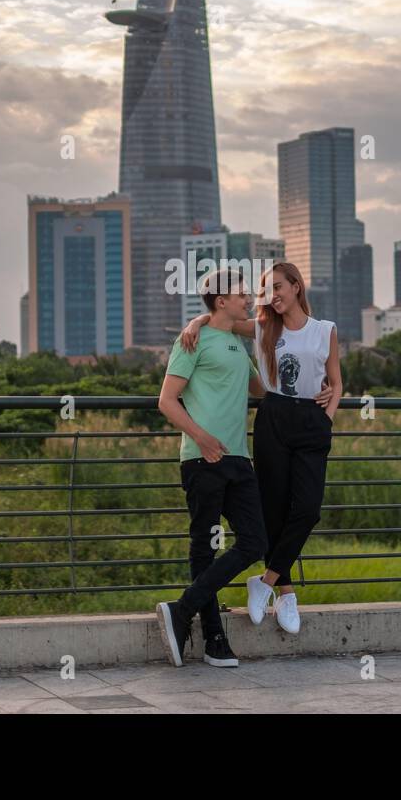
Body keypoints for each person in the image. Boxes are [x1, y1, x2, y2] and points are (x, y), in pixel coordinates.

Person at [180, 261, 342, 634]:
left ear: (297, 287)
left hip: (311, 422)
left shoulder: (325, 330)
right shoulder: (264, 328)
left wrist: (327, 416)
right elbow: (219, 320)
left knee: (307, 510)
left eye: (278, 287)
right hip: (273, 419)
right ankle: (285, 593)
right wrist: (193, 323)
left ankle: (265, 581)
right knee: (273, 510)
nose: (271, 297)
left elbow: (337, 381)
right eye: (265, 290)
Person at [155, 269, 268, 668]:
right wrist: (201, 437)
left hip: (239, 457)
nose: (249, 299)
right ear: (222, 301)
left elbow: (261, 388)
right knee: (204, 544)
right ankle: (214, 638)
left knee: (255, 542)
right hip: (202, 458)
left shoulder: (237, 340)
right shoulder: (192, 340)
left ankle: (182, 609)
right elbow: (167, 401)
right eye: (242, 294)